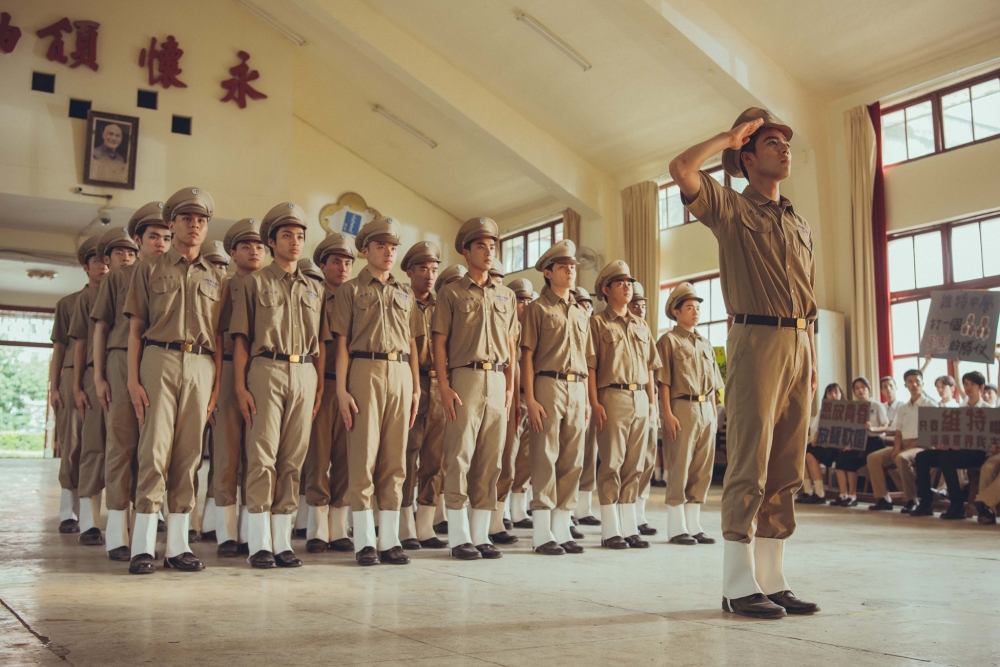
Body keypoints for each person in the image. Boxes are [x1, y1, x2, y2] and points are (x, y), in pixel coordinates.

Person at [669, 107, 819, 618]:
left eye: (785, 142)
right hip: (757, 339)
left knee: (787, 466)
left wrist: (810, 351)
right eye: (771, 142)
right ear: (748, 157)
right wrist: (727, 137)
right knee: (750, 462)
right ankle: (737, 584)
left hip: (803, 343)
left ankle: (773, 579)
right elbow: (682, 168)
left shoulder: (796, 220)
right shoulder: (731, 208)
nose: (784, 149)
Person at [124, 187, 228, 575]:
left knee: (188, 458)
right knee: (153, 452)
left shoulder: (220, 277)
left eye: (201, 220)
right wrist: (134, 380)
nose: (195, 225)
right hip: (159, 358)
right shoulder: (148, 269)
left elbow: (218, 338)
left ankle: (179, 547)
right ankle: (142, 548)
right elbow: (136, 329)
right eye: (187, 219)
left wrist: (216, 387)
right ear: (172, 224)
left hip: (201, 365)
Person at [231, 203, 325, 569]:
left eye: (300, 236)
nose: (295, 242)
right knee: (263, 457)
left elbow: (323, 342)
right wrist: (240, 387)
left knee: (292, 460)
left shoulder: (314, 288)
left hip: (304, 371)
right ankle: (259, 543)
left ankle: (282, 541)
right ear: (272, 242)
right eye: (287, 236)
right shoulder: (254, 283)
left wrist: (317, 386)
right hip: (266, 369)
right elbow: (240, 339)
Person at [332, 217, 421, 566]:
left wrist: (415, 388)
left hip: (400, 372)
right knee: (363, 456)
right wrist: (340, 389)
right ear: (365, 249)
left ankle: (390, 539)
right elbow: (341, 345)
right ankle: (365, 540)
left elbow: (413, 345)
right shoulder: (350, 290)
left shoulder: (405, 292)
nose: (388, 253)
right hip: (364, 369)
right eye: (381, 246)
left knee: (395, 460)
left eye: (393, 247)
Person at [432, 217, 518, 561]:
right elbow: (440, 343)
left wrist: (511, 388)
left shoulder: (506, 295)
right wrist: (444, 386)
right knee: (460, 455)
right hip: (465, 377)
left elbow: (511, 345)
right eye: (480, 246)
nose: (488, 252)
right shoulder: (451, 293)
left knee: (491, 460)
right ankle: (458, 536)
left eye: (492, 246)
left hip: (497, 380)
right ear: (466, 251)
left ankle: (482, 534)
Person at [92, 221, 157, 560]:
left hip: (158, 360)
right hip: (120, 361)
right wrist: (100, 377)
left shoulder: (170, 275)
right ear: (138, 240)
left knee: (155, 449)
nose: (160, 244)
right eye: (153, 237)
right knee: (121, 443)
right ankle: (117, 531)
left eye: (166, 237)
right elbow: (102, 327)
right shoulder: (119, 277)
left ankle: (147, 526)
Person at [520, 240, 589, 555]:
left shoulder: (580, 309)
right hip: (548, 383)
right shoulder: (538, 308)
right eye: (563, 267)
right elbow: (527, 355)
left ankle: (563, 527)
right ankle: (541, 532)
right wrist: (530, 398)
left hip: (577, 387)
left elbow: (585, 358)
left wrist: (586, 398)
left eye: (573, 266)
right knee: (545, 456)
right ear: (548, 273)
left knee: (573, 458)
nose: (570, 271)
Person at [587, 261, 660, 551]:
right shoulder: (598, 323)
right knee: (612, 463)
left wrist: (652, 403)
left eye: (629, 282)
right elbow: (591, 367)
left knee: (635, 465)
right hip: (612, 396)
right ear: (607, 290)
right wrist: (594, 402)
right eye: (620, 283)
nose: (628, 287)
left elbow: (651, 366)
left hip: (640, 396)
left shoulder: (641, 324)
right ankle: (610, 529)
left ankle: (629, 527)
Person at [209, 219, 265, 557]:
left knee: (258, 453)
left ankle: (252, 529)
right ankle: (226, 532)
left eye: (259, 246)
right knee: (227, 452)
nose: (254, 251)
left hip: (265, 370)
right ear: (232, 252)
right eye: (246, 246)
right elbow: (218, 336)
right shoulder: (224, 286)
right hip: (229, 367)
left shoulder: (273, 284)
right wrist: (218, 384)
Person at [656, 282, 723, 545]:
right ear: (676, 312)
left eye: (697, 308)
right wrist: (668, 414)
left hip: (706, 408)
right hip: (681, 407)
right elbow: (664, 381)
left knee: (702, 468)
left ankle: (694, 525)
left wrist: (715, 412)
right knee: (680, 465)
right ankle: (676, 527)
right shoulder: (668, 341)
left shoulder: (705, 343)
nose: (695, 312)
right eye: (689, 308)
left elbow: (716, 383)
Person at [302, 233, 356, 554]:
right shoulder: (314, 294)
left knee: (346, 456)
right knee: (318, 456)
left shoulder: (355, 296)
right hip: (322, 381)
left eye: (348, 261)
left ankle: (339, 526)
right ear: (322, 265)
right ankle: (316, 527)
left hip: (350, 386)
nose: (343, 267)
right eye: (336, 261)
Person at [398, 240, 449, 550]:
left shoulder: (443, 304)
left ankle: (425, 525)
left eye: (434, 270)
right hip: (410, 381)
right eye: (423, 269)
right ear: (409, 272)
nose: (429, 276)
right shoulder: (401, 300)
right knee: (407, 454)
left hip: (439, 384)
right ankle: (404, 525)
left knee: (435, 458)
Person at [49, 239, 98, 533]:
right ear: (85, 267)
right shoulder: (68, 303)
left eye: (108, 260)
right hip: (71, 375)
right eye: (97, 262)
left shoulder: (123, 297)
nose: (103, 267)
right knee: (72, 443)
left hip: (106, 374)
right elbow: (59, 348)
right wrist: (55, 387)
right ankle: (69, 511)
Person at [68, 233, 110, 546]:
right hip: (95, 377)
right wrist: (78, 385)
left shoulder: (132, 287)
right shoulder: (86, 299)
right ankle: (89, 522)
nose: (105, 264)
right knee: (93, 448)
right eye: (98, 259)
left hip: (126, 377)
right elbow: (80, 344)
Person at [911, 371, 990, 519]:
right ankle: (926, 503)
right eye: (966, 384)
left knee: (947, 459)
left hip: (977, 453)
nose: (968, 387)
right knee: (922, 457)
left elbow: (988, 440)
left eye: (972, 384)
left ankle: (957, 505)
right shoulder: (960, 409)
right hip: (957, 451)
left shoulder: (988, 409)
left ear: (981, 387)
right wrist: (946, 443)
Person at [866, 369, 936, 514]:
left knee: (902, 458)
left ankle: (911, 499)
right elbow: (898, 432)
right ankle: (883, 498)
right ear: (905, 385)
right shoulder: (903, 408)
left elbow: (927, 435)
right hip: (903, 443)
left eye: (917, 381)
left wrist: (902, 451)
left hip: (922, 445)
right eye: (910, 382)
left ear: (922, 383)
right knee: (873, 458)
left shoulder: (930, 405)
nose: (914, 384)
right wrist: (898, 448)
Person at [496, 278, 534, 541]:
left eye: (528, 300)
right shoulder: (505, 326)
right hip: (507, 396)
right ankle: (501, 511)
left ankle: (519, 508)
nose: (525, 305)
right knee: (506, 455)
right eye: (520, 300)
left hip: (529, 397)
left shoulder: (534, 328)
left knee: (527, 457)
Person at [829, 378, 889, 507]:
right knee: (841, 458)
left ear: (869, 388)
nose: (860, 390)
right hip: (858, 441)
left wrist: (872, 428)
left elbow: (886, 426)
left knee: (852, 460)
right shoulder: (854, 407)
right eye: (857, 388)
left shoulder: (877, 405)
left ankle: (852, 495)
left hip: (874, 441)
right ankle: (843, 495)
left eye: (863, 387)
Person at [629, 281, 659, 537]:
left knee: (648, 458)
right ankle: (623, 515)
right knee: (628, 461)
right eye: (635, 305)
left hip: (645, 399)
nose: (640, 310)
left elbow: (650, 369)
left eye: (643, 306)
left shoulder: (644, 329)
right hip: (623, 399)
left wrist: (653, 403)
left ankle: (639, 512)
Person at [571, 286, 601, 527]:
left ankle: (584, 507)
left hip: (592, 399)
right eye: (581, 303)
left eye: (588, 305)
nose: (586, 308)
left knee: (588, 454)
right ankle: (565, 509)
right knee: (567, 453)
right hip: (572, 393)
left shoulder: (596, 331)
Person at [798, 383, 843, 504]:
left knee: (810, 456)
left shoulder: (846, 410)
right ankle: (807, 491)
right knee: (801, 453)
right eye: (829, 393)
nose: (833, 395)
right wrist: (816, 440)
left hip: (838, 447)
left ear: (840, 394)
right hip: (824, 445)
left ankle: (819, 493)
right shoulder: (824, 410)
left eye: (835, 392)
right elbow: (817, 430)